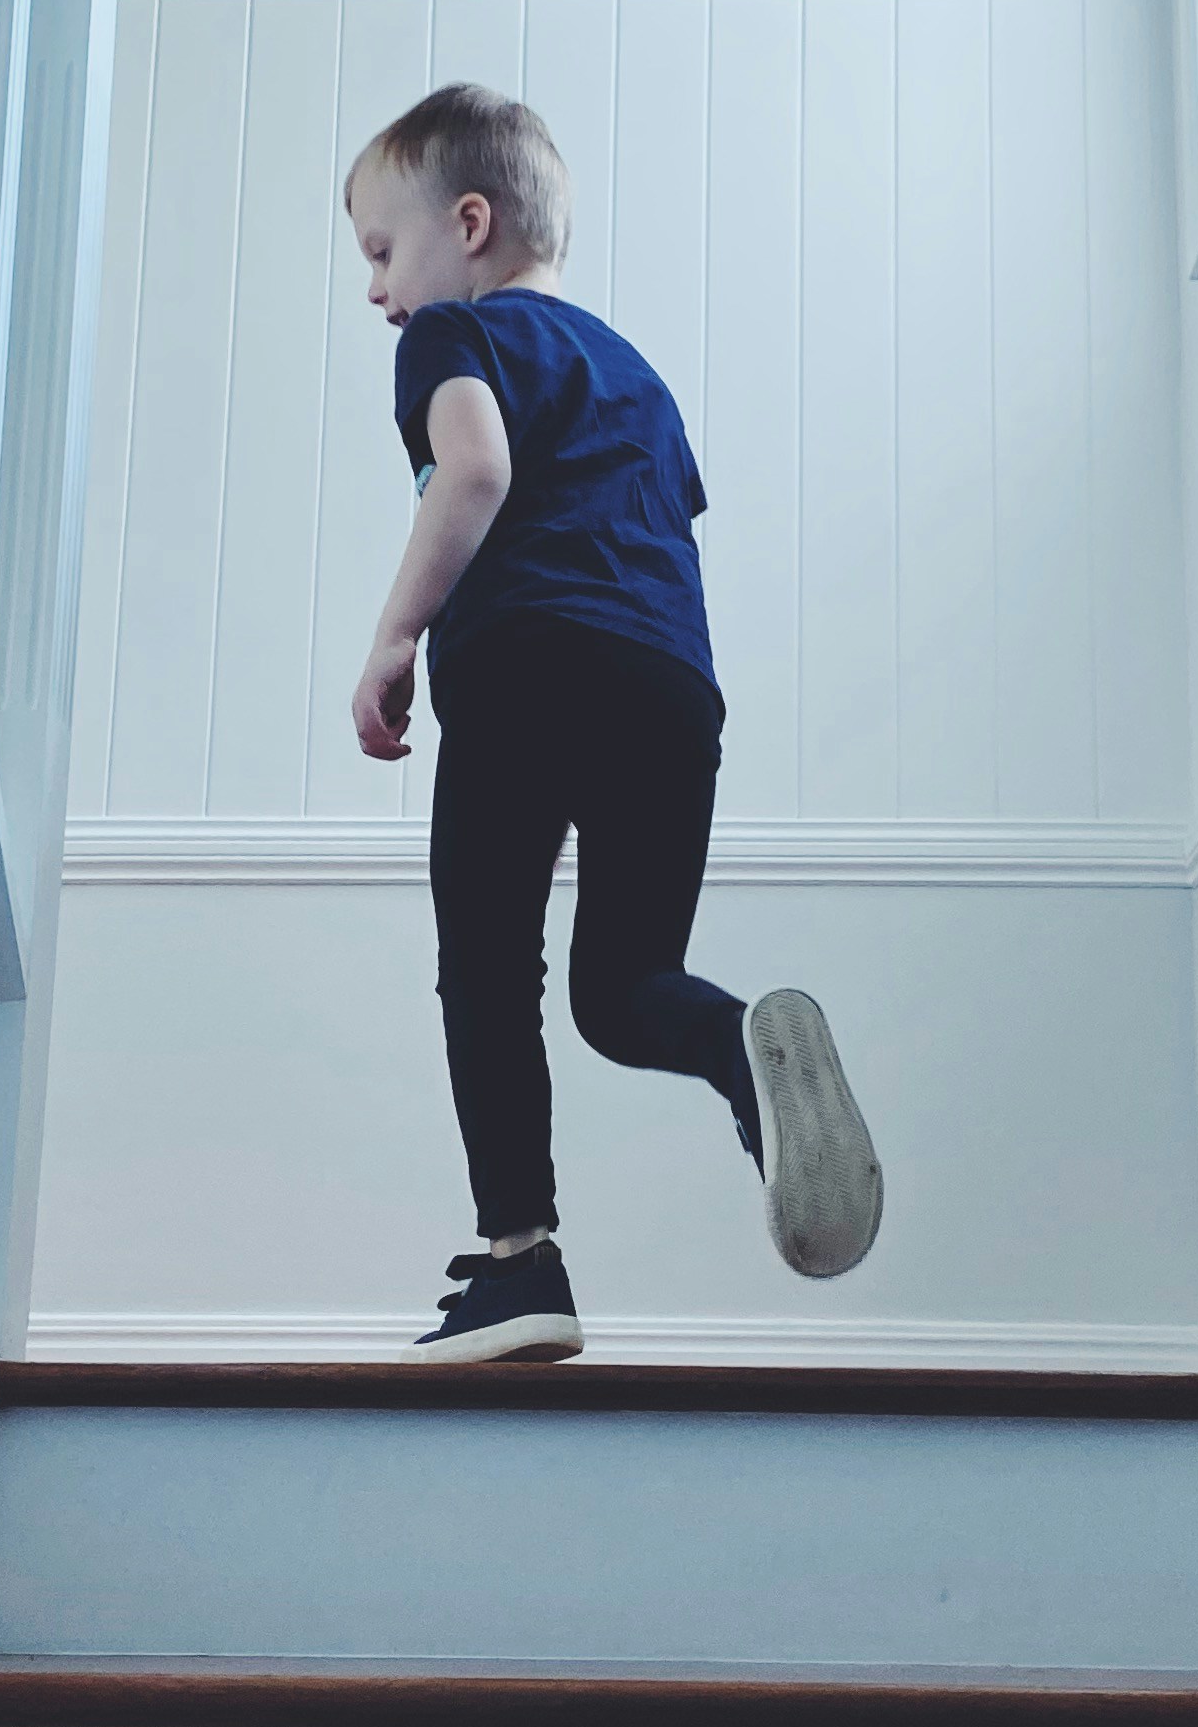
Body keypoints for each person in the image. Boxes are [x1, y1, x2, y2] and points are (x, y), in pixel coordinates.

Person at [345, 83, 882, 1362]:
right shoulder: (635, 377)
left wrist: (395, 632)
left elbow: (476, 473)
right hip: (670, 692)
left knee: (489, 965)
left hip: (527, 664)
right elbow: (669, 537)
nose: (377, 291)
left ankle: (518, 1260)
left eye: (381, 251)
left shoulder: (447, 341)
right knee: (623, 987)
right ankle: (745, 1059)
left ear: (467, 225)